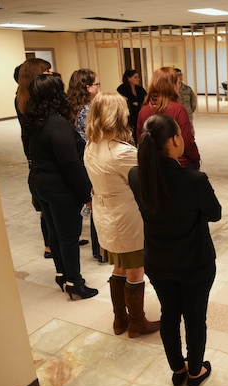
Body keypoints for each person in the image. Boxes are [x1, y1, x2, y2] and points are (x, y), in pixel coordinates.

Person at [128, 114, 221, 386]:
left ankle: (177, 368)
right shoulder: (193, 180)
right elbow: (214, 213)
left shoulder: (136, 176)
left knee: (170, 313)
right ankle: (195, 372)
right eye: (179, 134)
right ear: (172, 141)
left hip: (157, 260)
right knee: (195, 318)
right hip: (195, 262)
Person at [84, 92, 160, 338]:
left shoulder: (91, 145)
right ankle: (137, 322)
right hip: (126, 217)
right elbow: (149, 178)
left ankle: (120, 318)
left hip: (105, 215)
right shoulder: (122, 153)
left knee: (118, 266)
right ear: (118, 116)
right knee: (135, 269)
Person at [24, 74, 98, 300]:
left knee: (55, 233)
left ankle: (62, 274)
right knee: (68, 235)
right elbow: (71, 165)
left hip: (39, 184)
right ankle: (75, 281)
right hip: (58, 188)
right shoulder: (57, 124)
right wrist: (87, 195)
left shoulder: (34, 121)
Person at [15, 58, 53, 259]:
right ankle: (49, 245)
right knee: (47, 207)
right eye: (47, 72)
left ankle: (52, 242)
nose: (50, 75)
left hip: (36, 158)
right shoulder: (32, 102)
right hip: (41, 159)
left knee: (46, 207)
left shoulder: (22, 97)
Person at [67, 68, 104, 262]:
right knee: (97, 205)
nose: (99, 87)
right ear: (88, 87)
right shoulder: (88, 111)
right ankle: (100, 251)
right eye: (97, 84)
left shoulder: (71, 106)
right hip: (90, 160)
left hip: (81, 160)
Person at [137, 67, 200, 170]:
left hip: (153, 165)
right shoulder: (178, 109)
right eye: (177, 83)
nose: (179, 86)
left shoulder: (143, 111)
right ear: (172, 86)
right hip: (179, 164)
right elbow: (187, 141)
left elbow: (141, 140)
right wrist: (196, 158)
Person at [117, 69, 147, 142]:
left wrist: (137, 104)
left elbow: (145, 100)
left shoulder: (139, 89)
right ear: (129, 79)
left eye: (138, 77)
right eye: (135, 77)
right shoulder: (122, 89)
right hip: (130, 116)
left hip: (140, 114)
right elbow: (124, 103)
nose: (138, 79)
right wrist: (134, 104)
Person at [174, 68, 197, 133]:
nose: (180, 77)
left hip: (187, 114)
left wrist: (189, 111)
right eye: (177, 75)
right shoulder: (170, 89)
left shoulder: (187, 89)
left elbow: (193, 102)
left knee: (189, 131)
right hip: (175, 116)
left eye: (181, 75)